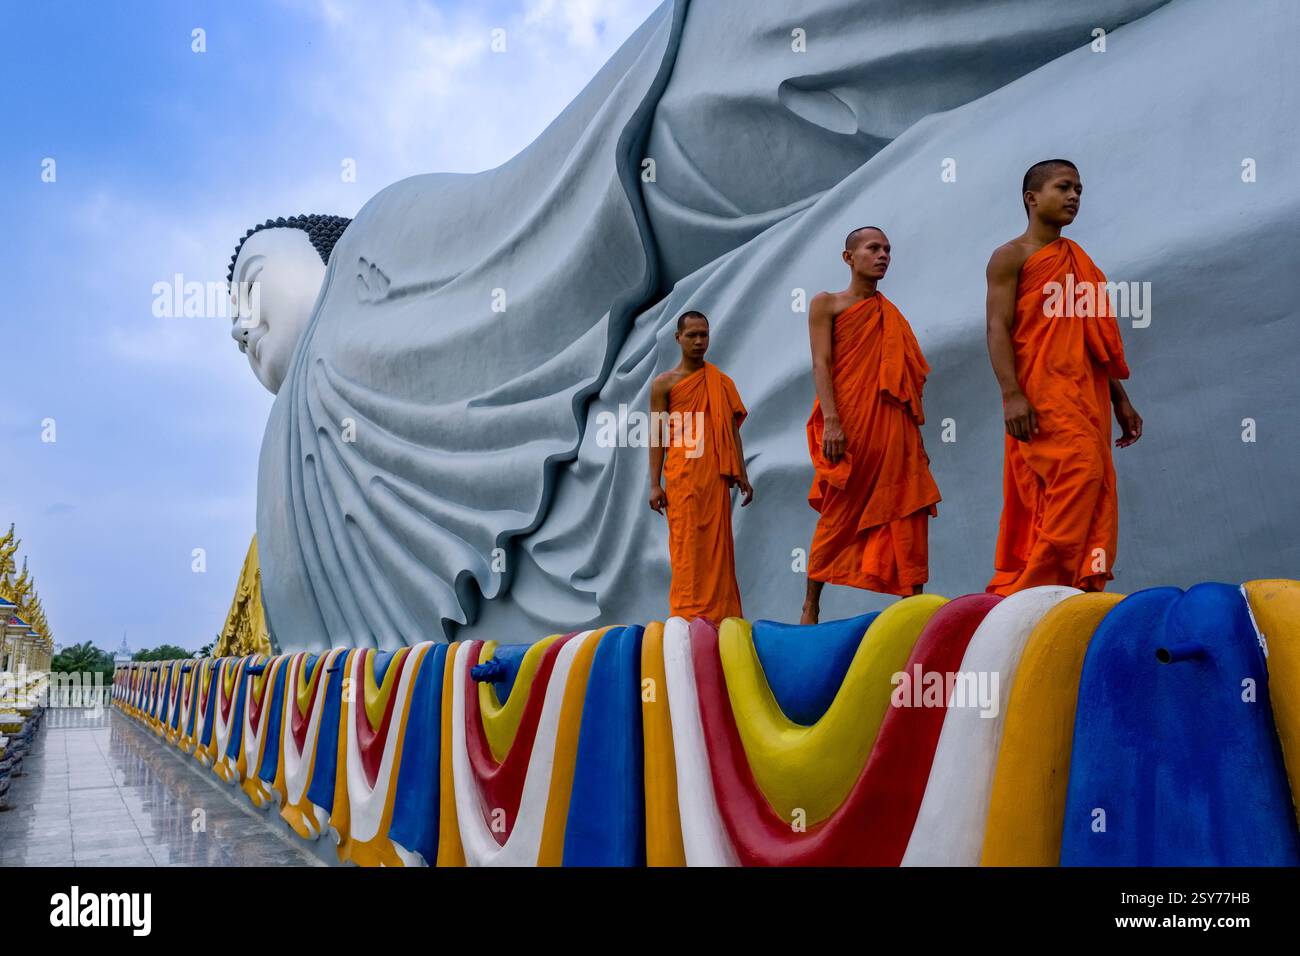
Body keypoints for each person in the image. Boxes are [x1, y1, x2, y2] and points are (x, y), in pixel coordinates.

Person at [985, 159, 1142, 595]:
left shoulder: (1077, 261)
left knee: (1091, 481)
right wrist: (1011, 394)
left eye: (1079, 189)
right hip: (1041, 388)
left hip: (1085, 389)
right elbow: (997, 326)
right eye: (1064, 187)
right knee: (1080, 470)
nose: (1074, 196)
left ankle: (1077, 585)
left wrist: (1120, 398)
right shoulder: (1010, 256)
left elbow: (1094, 338)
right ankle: (1037, 587)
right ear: (1031, 199)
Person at [802, 228, 941, 624]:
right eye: (873, 248)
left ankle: (911, 605)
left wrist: (913, 437)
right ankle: (811, 603)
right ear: (848, 258)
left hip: (893, 429)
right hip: (848, 422)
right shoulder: (826, 304)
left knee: (907, 504)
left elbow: (905, 382)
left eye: (887, 250)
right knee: (838, 509)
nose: (883, 256)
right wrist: (831, 420)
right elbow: (821, 364)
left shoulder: (890, 314)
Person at [648, 311, 753, 623]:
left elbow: (731, 429)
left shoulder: (720, 382)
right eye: (691, 335)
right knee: (687, 548)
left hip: (715, 477)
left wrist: (742, 472)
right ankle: (687, 618)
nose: (698, 341)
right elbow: (656, 434)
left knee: (717, 551)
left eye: (703, 334)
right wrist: (654, 483)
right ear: (677, 338)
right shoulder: (663, 384)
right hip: (682, 476)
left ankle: (721, 619)